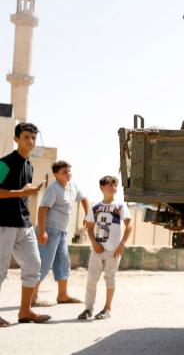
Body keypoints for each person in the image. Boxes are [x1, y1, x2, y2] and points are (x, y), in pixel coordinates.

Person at [0, 122, 50, 326]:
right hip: (4, 224)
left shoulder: (29, 165)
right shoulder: (4, 163)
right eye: (26, 137)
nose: (30, 141)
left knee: (33, 264)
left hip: (24, 224)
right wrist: (22, 193)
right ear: (16, 139)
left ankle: (25, 311)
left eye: (33, 138)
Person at [32, 160, 90, 306]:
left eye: (69, 171)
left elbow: (84, 199)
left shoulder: (72, 186)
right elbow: (42, 209)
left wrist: (87, 215)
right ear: (56, 174)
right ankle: (32, 298)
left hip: (62, 232)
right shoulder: (53, 189)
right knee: (44, 263)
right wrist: (42, 231)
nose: (68, 174)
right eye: (64, 172)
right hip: (49, 231)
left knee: (63, 262)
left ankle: (63, 295)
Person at [78, 176, 132, 320]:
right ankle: (88, 309)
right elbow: (89, 227)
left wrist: (122, 244)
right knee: (92, 280)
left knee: (110, 279)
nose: (112, 187)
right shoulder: (95, 207)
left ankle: (107, 309)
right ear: (102, 187)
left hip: (113, 251)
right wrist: (94, 243)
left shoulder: (120, 206)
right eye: (109, 185)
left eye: (114, 185)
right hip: (97, 250)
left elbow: (129, 226)